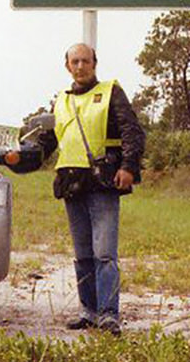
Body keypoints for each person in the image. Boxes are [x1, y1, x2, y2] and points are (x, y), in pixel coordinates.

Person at [38, 43, 145, 336]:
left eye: (86, 61)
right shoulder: (60, 100)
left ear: (95, 63)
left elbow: (132, 132)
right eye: (75, 61)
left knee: (105, 254)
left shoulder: (111, 91)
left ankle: (109, 315)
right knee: (83, 253)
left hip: (102, 183)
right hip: (72, 184)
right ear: (67, 66)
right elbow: (46, 142)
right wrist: (16, 157)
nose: (81, 66)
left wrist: (128, 168)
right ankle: (88, 311)